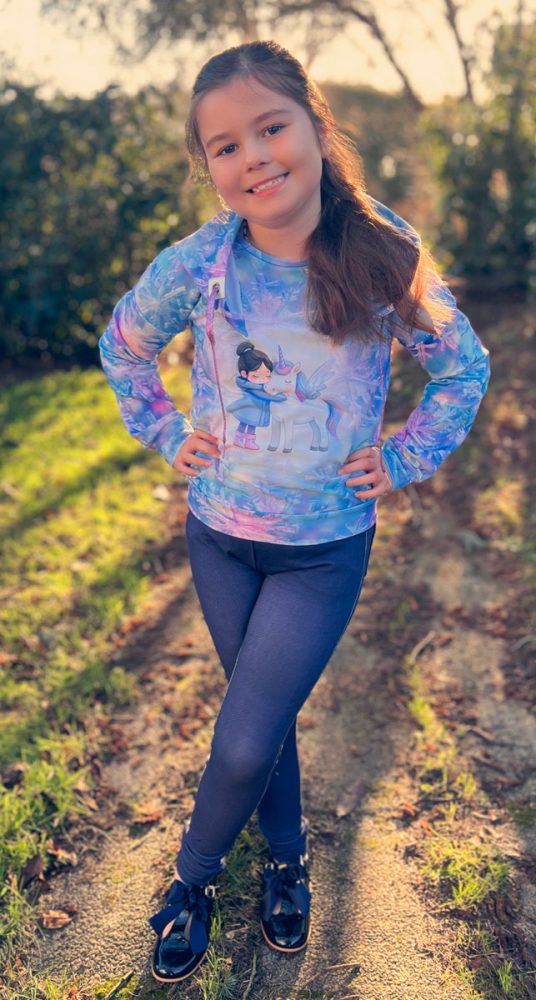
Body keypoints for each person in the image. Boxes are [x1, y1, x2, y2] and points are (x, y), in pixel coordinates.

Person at [98, 40, 490, 984]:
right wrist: (163, 429)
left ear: (315, 127)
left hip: (321, 551)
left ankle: (190, 881)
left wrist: (405, 455)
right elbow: (124, 345)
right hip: (219, 537)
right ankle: (286, 861)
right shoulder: (201, 265)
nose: (255, 157)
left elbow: (462, 368)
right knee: (261, 723)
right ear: (209, 166)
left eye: (271, 128)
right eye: (225, 146)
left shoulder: (381, 252)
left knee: (241, 741)